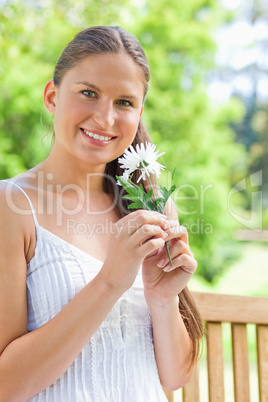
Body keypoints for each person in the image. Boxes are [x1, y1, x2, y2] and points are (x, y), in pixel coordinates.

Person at [0, 26, 203, 401]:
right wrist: (111, 280)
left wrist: (163, 299)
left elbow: (175, 377)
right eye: (89, 93)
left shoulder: (152, 206)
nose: (105, 119)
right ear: (52, 96)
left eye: (124, 103)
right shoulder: (12, 206)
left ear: (139, 112)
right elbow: (5, 386)